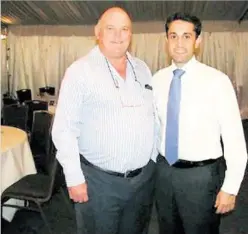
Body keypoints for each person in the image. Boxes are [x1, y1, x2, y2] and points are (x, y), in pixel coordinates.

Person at [52, 7, 157, 234]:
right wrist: (73, 177)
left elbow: (152, 116)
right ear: (97, 32)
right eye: (111, 28)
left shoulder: (142, 68)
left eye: (124, 29)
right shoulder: (79, 71)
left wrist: (152, 159)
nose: (118, 36)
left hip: (142, 181)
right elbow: (63, 129)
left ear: (131, 34)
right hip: (99, 183)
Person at [152, 12, 248, 234]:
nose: (179, 43)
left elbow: (234, 138)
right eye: (173, 36)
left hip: (201, 177)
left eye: (186, 36)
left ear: (198, 41)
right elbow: (157, 129)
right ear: (166, 40)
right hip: (165, 173)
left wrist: (230, 188)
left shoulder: (217, 81)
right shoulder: (157, 80)